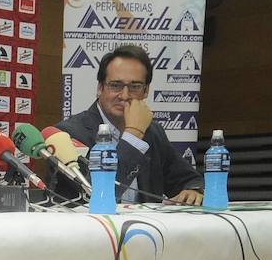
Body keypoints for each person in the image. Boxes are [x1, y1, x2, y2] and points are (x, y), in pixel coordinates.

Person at [51, 44, 203, 205]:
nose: (124, 95)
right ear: (100, 88)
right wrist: (133, 135)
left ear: (146, 91)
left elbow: (188, 179)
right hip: (90, 228)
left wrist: (192, 191)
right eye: (115, 85)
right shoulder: (68, 134)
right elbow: (95, 196)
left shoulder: (152, 131)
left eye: (135, 87)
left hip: (144, 228)